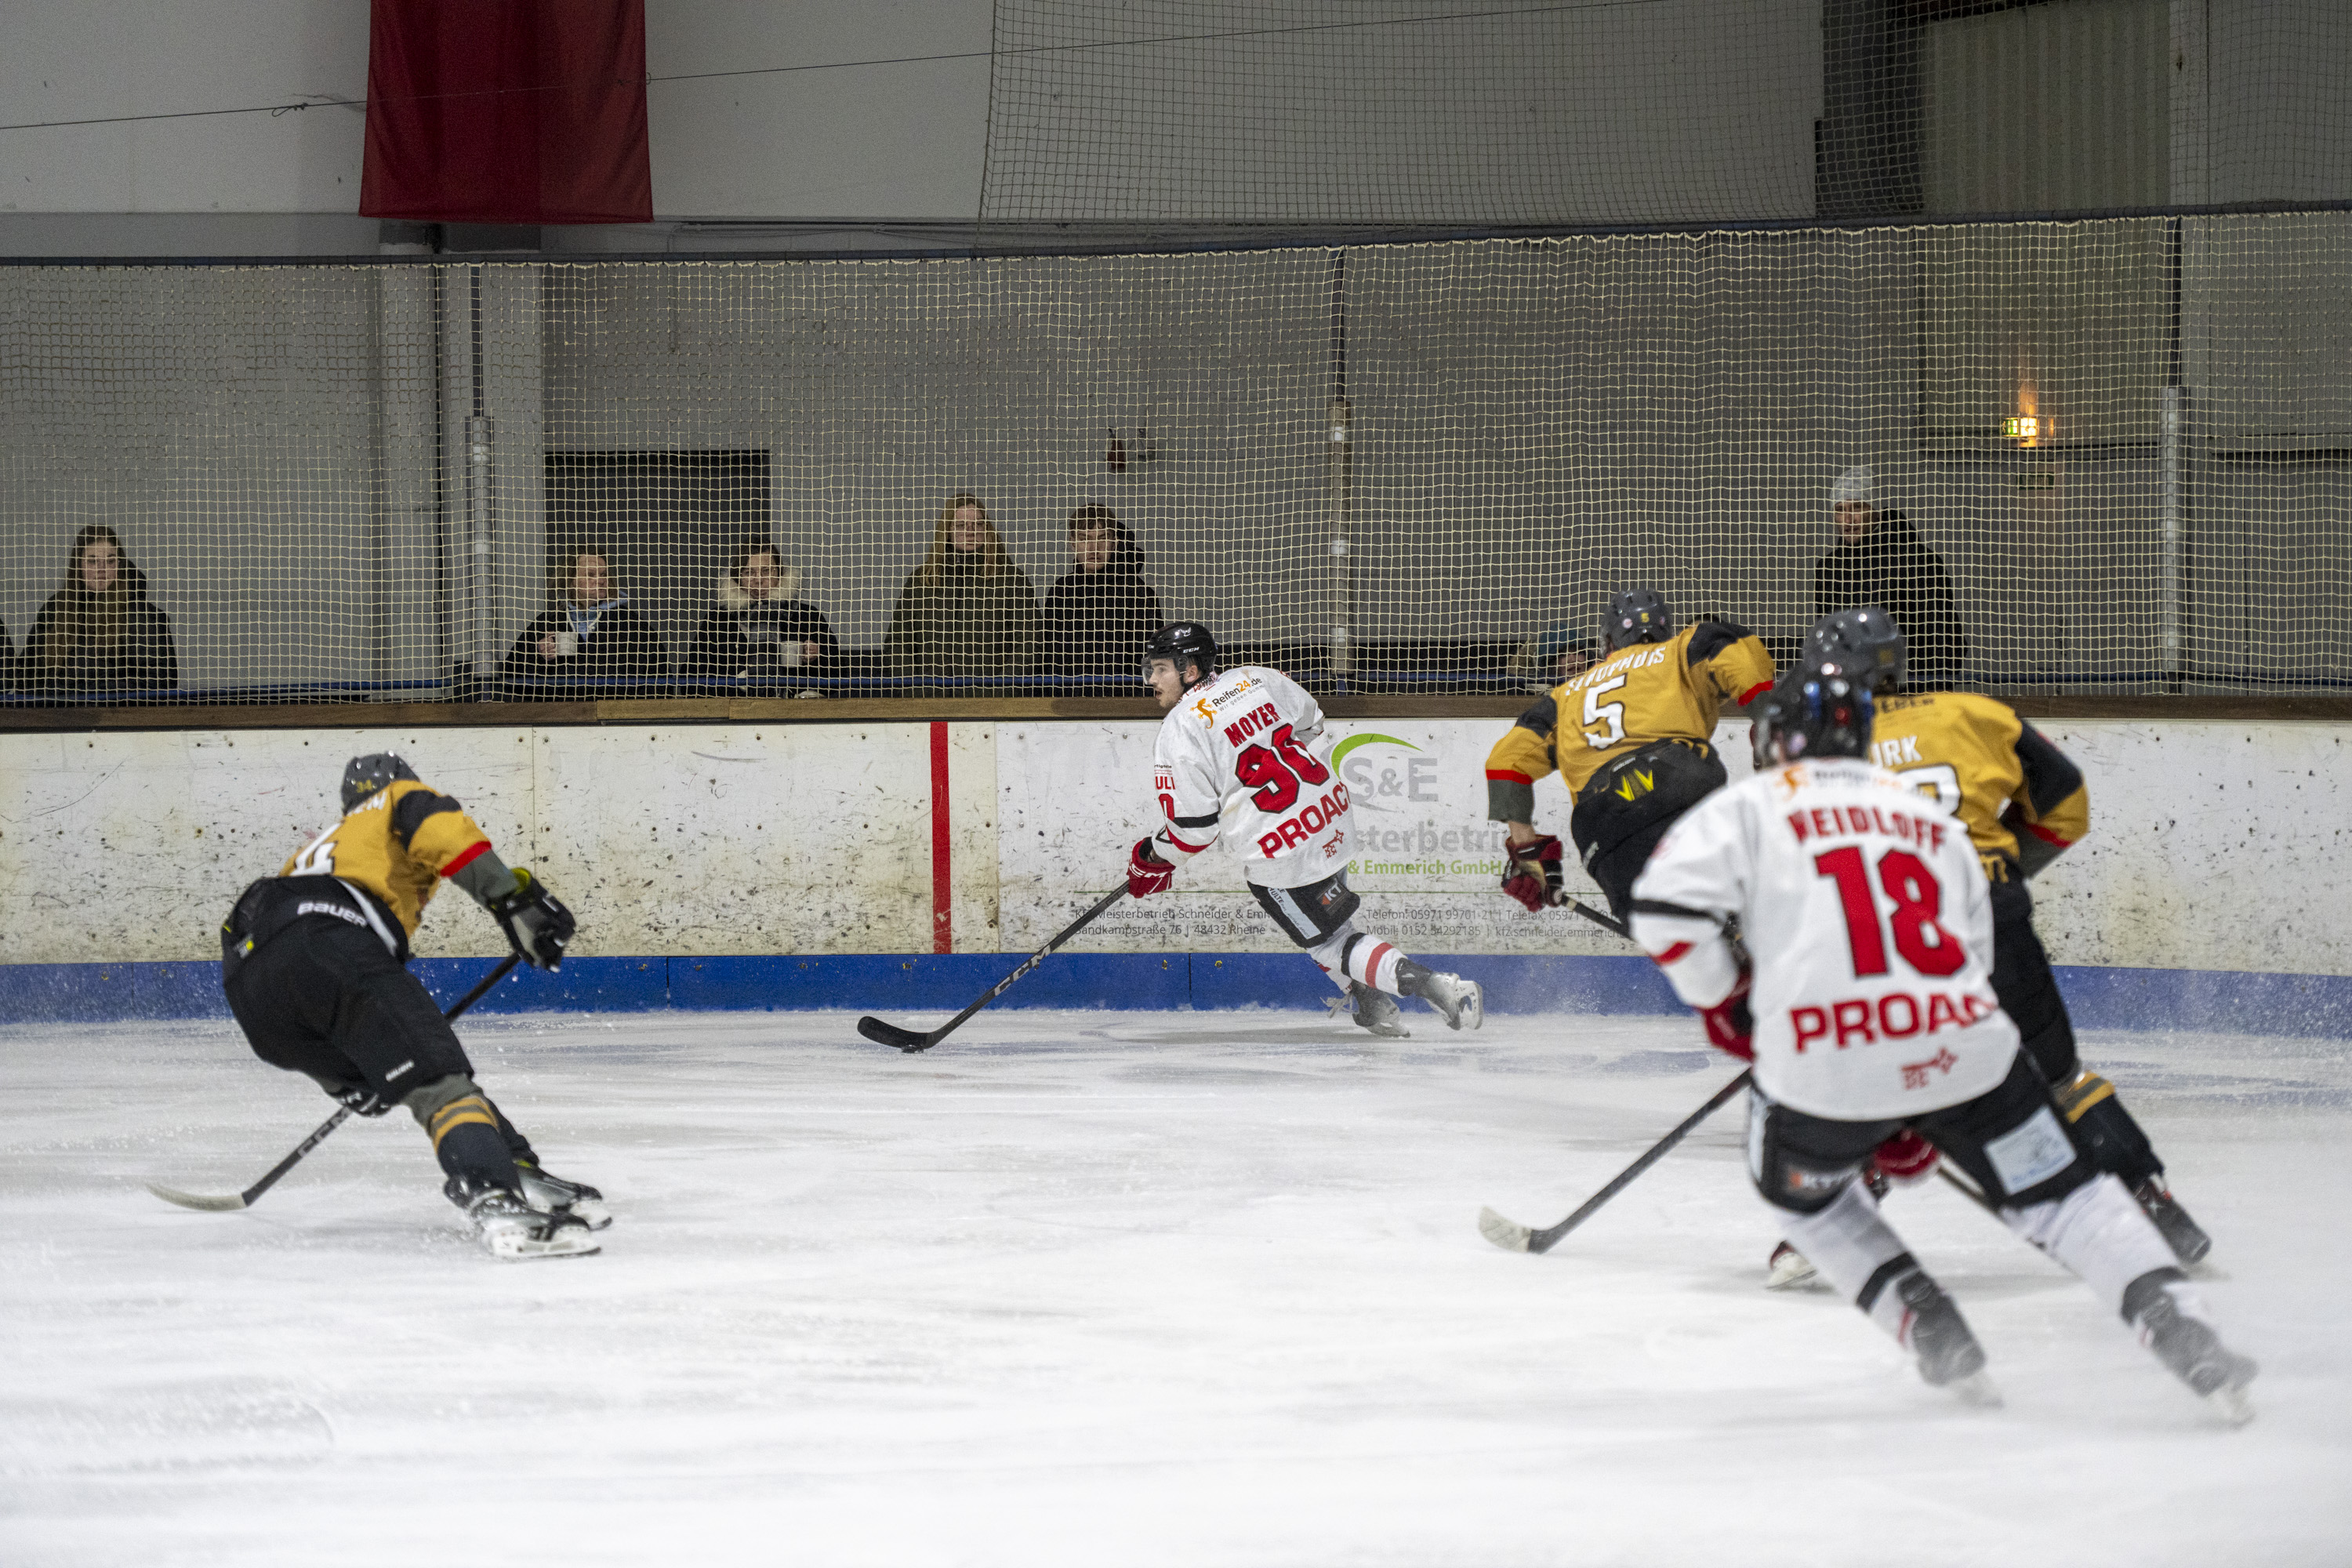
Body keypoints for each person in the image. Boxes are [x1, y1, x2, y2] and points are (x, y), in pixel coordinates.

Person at [1628, 668, 2256, 1421]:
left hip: (1826, 1076)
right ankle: (2187, 1330)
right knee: (2070, 1201)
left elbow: (1665, 912)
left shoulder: (1749, 807)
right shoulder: (1925, 819)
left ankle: (1927, 1322)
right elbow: (1972, 952)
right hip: (1969, 1058)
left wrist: (1725, 1001)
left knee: (1805, 1203)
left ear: (1771, 739)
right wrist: (1922, 1091)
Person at [1759, 607, 2209, 1290]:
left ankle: (1830, 1222)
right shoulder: (1976, 711)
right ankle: (2150, 1201)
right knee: (2056, 1076)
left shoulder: (1807, 741)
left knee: (1873, 1065)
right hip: (1990, 916)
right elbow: (2066, 806)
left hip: (1881, 937)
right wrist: (1992, 873)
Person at [219, 753, 603, 1261]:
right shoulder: (396, 799)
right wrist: (510, 899)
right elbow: (441, 832)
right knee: (440, 1083)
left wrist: (341, 1079)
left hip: (250, 984)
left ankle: (518, 1170)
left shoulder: (317, 848)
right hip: (329, 941)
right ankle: (494, 1196)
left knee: (418, 1072)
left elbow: (279, 953)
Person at [1129, 622, 1483, 1038]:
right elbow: (1312, 721)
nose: (1151, 680)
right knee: (1323, 926)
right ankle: (1373, 1004)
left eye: (1159, 669)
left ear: (1189, 669)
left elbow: (1193, 832)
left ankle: (1439, 987)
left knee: (1327, 942)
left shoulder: (1180, 728)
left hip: (1283, 851)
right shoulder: (1252, 679)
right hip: (1329, 816)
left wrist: (1153, 857)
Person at [1483, 589, 1775, 921]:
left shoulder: (1562, 698)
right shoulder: (1683, 647)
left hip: (1601, 820)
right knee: (1732, 903)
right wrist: (1769, 729)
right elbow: (1738, 656)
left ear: (1608, 643)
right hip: (1675, 778)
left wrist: (1527, 852)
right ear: (1666, 631)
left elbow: (1504, 764)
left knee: (1661, 928)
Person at [1813, 466, 1966, 688]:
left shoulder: (1919, 562)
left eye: (1857, 507)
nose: (1848, 519)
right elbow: (1827, 640)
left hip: (1912, 696)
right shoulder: (1830, 569)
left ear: (1876, 510)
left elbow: (1946, 641)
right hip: (1854, 697)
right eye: (1840, 509)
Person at [884, 492, 1040, 677]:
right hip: (928, 701)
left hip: (993, 701)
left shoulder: (1011, 580)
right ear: (947, 531)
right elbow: (897, 644)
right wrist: (915, 692)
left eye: (978, 524)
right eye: (960, 525)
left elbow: (1030, 644)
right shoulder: (922, 581)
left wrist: (1002, 691)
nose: (970, 530)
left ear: (987, 529)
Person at [25, 524, 179, 698]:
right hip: (59, 718)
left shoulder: (139, 615)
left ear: (119, 564)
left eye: (111, 560)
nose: (102, 568)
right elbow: (27, 678)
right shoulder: (55, 609)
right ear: (78, 565)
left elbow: (158, 681)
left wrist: (83, 691)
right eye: (92, 561)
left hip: (121, 719)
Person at [499, 546, 670, 695]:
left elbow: (661, 676)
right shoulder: (547, 622)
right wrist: (537, 657)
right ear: (571, 579)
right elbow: (511, 676)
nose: (601, 580)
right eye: (590, 574)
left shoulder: (630, 623)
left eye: (603, 574)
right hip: (559, 720)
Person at [687, 538, 839, 685]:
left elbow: (838, 676)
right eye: (749, 572)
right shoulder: (718, 620)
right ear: (737, 577)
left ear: (780, 574)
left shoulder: (806, 616)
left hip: (794, 708)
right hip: (735, 708)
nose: (758, 579)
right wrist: (735, 685)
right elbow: (690, 679)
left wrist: (817, 658)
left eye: (766, 571)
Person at [1041, 505, 1162, 678]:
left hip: (1125, 700)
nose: (1094, 548)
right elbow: (1049, 655)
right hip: (1067, 698)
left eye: (1102, 539)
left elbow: (1150, 660)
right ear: (1072, 542)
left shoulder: (1138, 594)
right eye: (1085, 539)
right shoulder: (1061, 591)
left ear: (1115, 542)